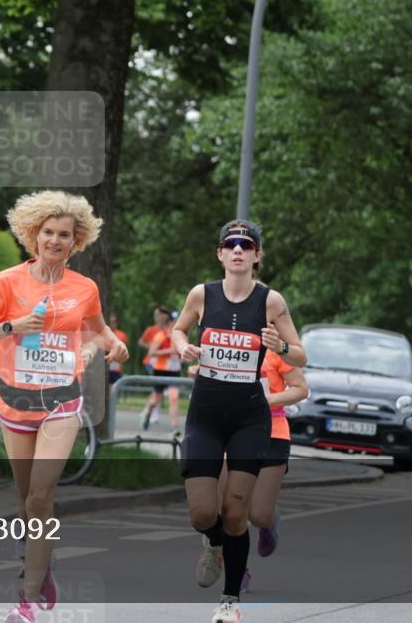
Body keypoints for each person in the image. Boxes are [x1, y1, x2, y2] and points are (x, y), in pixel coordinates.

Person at [0, 190, 128, 623]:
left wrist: (107, 348)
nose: (55, 241)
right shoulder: (6, 281)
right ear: (32, 235)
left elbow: (98, 332)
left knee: (41, 498)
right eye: (48, 233)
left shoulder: (85, 288)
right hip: (15, 402)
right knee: (24, 502)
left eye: (64, 235)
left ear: (76, 243)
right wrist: (14, 325)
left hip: (61, 402)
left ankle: (26, 599)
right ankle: (40, 561)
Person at [170, 219, 306, 623]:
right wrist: (183, 347)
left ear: (257, 255)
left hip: (250, 418)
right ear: (220, 253)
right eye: (230, 244)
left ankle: (230, 601)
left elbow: (299, 355)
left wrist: (279, 345)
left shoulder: (270, 301)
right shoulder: (202, 294)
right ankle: (212, 543)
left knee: (235, 514)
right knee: (201, 513)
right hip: (205, 416)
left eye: (246, 245)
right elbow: (178, 330)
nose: (238, 251)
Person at [216, 349, 308, 593]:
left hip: (272, 433)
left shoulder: (276, 349)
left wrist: (263, 400)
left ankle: (270, 520)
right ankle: (239, 570)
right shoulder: (229, 342)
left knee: (258, 515)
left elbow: (301, 388)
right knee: (230, 510)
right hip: (232, 433)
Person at [140, 310, 183, 435]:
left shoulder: (180, 337)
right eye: (175, 322)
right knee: (155, 400)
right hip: (160, 370)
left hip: (174, 371)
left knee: (174, 397)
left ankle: (174, 427)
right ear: (169, 323)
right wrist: (169, 351)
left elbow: (182, 353)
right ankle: (147, 414)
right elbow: (151, 353)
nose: (177, 324)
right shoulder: (161, 335)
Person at [138, 306, 170, 425]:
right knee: (157, 389)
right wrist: (151, 347)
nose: (160, 317)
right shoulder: (151, 329)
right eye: (158, 315)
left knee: (157, 390)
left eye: (163, 315)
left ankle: (148, 410)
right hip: (152, 361)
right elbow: (141, 341)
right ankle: (152, 413)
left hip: (165, 363)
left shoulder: (170, 329)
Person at [108, 314, 130, 389]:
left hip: (115, 365)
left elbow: (124, 350)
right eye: (111, 322)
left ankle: (111, 400)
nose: (113, 324)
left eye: (114, 322)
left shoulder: (122, 335)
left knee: (113, 386)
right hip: (105, 361)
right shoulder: (103, 334)